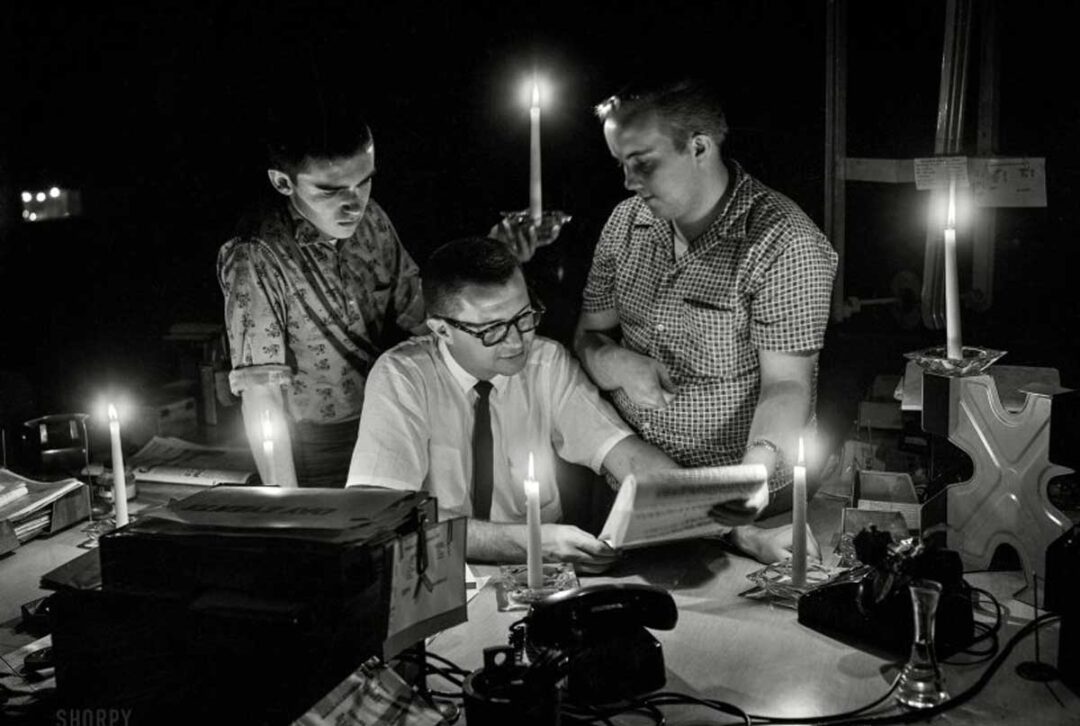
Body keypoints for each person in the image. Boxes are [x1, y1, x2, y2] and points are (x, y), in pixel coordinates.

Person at [346, 237, 815, 569]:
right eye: (492, 329)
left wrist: (737, 529)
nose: (516, 341)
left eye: (525, 316)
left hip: (541, 584)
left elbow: (628, 456)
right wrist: (527, 543)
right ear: (441, 329)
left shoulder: (544, 362)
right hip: (438, 585)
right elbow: (383, 520)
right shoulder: (402, 378)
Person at [218, 103, 552, 488]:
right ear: (282, 182)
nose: (354, 203)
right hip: (316, 448)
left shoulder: (371, 220)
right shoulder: (255, 254)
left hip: (394, 421)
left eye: (364, 182)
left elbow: (427, 315)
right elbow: (262, 393)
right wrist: (289, 504)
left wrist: (487, 262)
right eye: (330, 190)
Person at [574, 77, 838, 515]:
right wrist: (614, 362)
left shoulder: (783, 241)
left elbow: (788, 384)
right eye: (620, 163)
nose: (628, 181)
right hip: (633, 475)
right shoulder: (624, 223)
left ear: (699, 147)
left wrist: (751, 474)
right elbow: (588, 333)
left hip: (740, 490)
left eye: (642, 162)